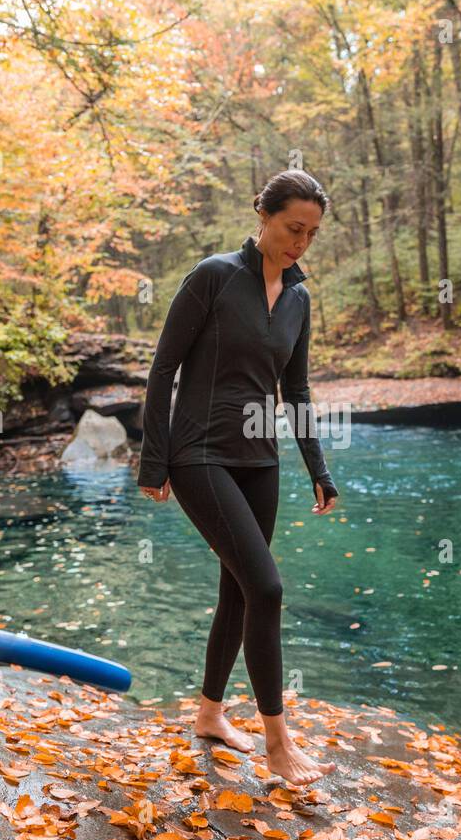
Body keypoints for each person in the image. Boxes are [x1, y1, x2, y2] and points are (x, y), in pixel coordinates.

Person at [137, 169, 339, 786]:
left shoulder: (300, 298)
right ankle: (278, 743)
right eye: (291, 228)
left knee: (239, 590)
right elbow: (164, 367)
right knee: (268, 588)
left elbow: (296, 389)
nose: (300, 243)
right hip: (199, 454)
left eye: (310, 234)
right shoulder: (214, 276)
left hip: (261, 461)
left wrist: (318, 468)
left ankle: (209, 714)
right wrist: (155, 456)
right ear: (264, 216)